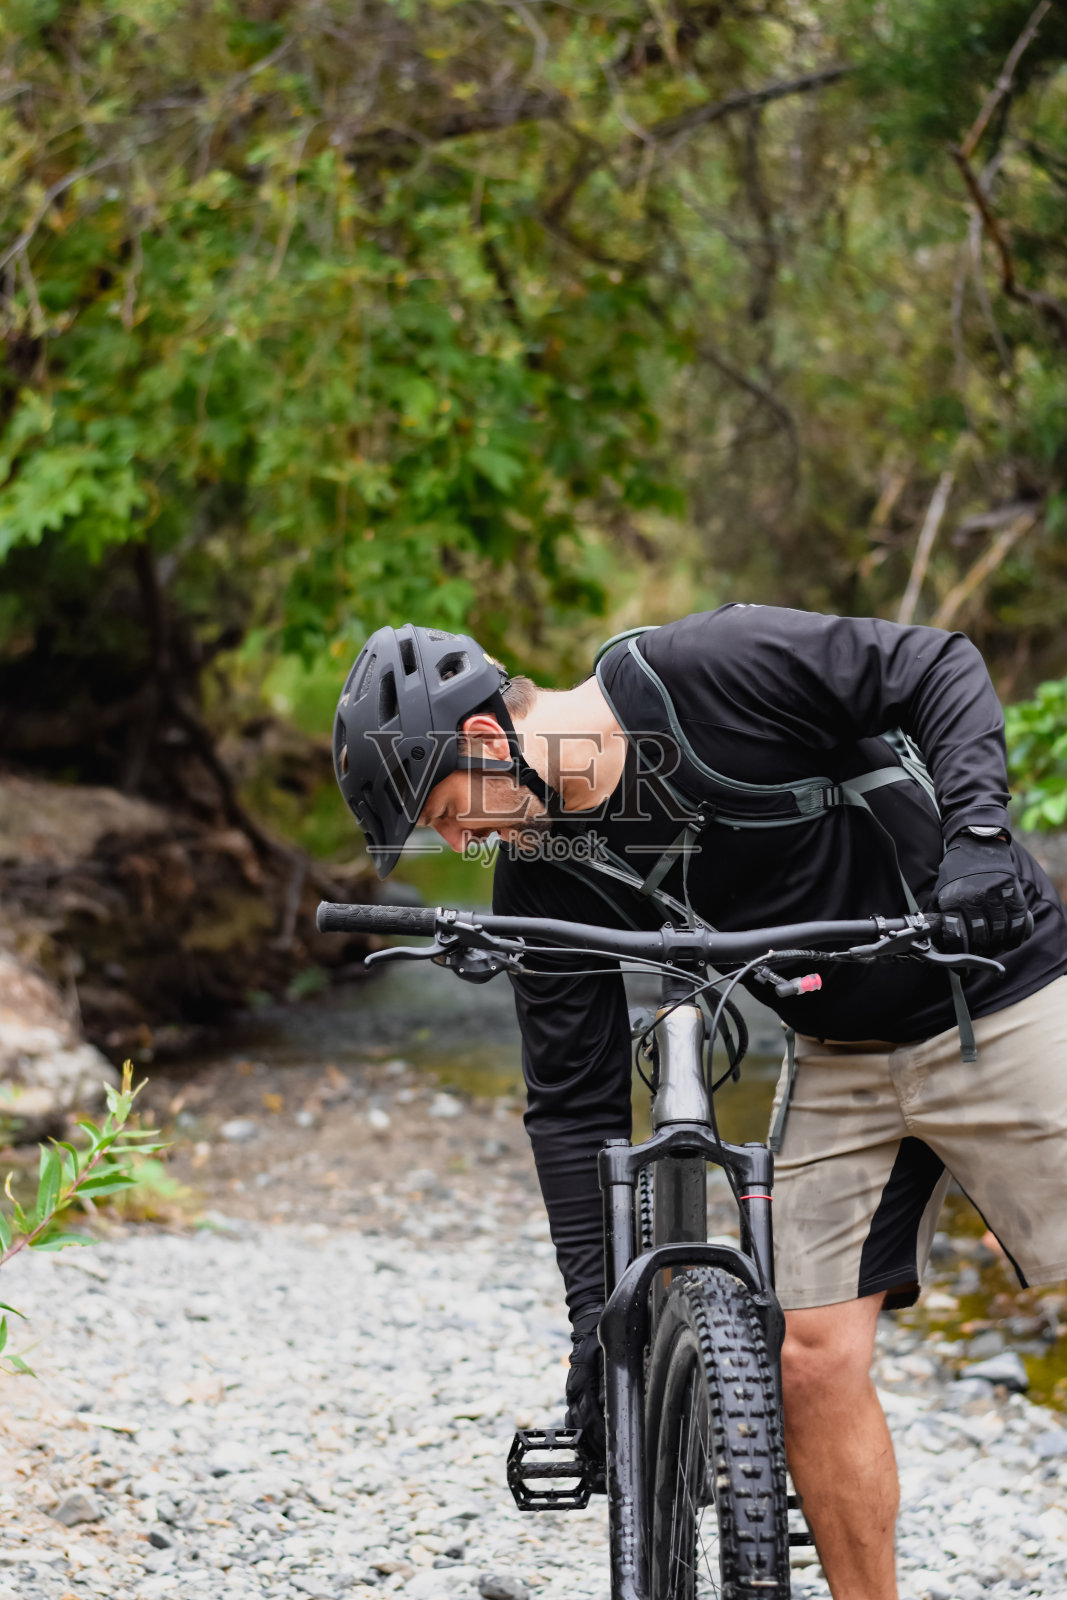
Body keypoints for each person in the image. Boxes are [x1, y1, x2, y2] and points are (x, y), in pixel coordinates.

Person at [332, 607, 1067, 1600]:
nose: (455, 841)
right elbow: (571, 1105)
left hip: (995, 990)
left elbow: (935, 660)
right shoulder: (542, 878)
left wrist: (978, 834)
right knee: (805, 1361)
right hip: (840, 1052)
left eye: (445, 810)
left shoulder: (706, 668)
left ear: (480, 739)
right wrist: (600, 1332)